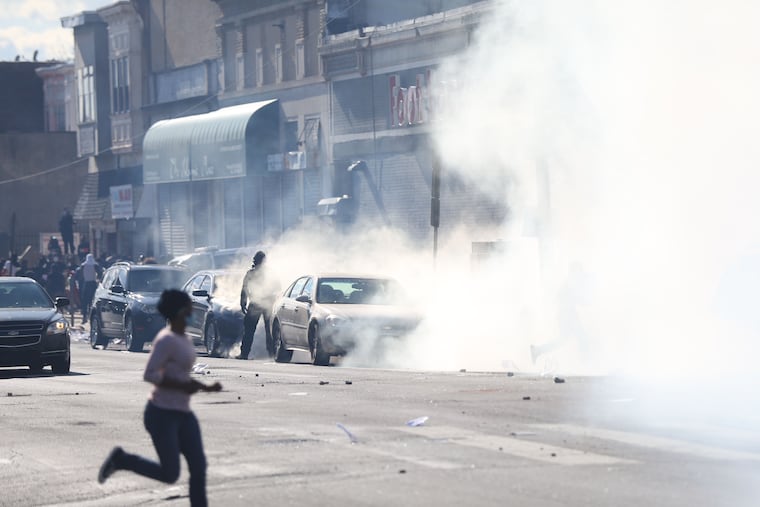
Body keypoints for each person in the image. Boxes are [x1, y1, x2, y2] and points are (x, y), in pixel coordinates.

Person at [97, 289, 222, 507]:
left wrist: (205, 387)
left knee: (199, 467)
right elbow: (150, 374)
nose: (193, 310)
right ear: (180, 311)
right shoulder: (166, 340)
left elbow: (181, 375)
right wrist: (182, 385)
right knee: (170, 473)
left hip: (183, 413)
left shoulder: (184, 338)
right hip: (161, 413)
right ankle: (123, 460)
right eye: (189, 307)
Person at [238, 251, 274, 359]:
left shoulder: (251, 273)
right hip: (268, 303)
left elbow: (244, 289)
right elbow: (278, 288)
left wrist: (243, 302)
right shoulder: (270, 273)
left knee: (249, 330)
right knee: (269, 330)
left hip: (256, 303)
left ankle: (244, 354)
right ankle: (272, 354)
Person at [77, 253, 101, 323]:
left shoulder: (83, 265)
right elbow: (99, 273)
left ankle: (84, 316)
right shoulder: (95, 265)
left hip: (86, 284)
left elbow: (80, 275)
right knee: (92, 300)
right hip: (93, 284)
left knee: (85, 301)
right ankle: (91, 316)